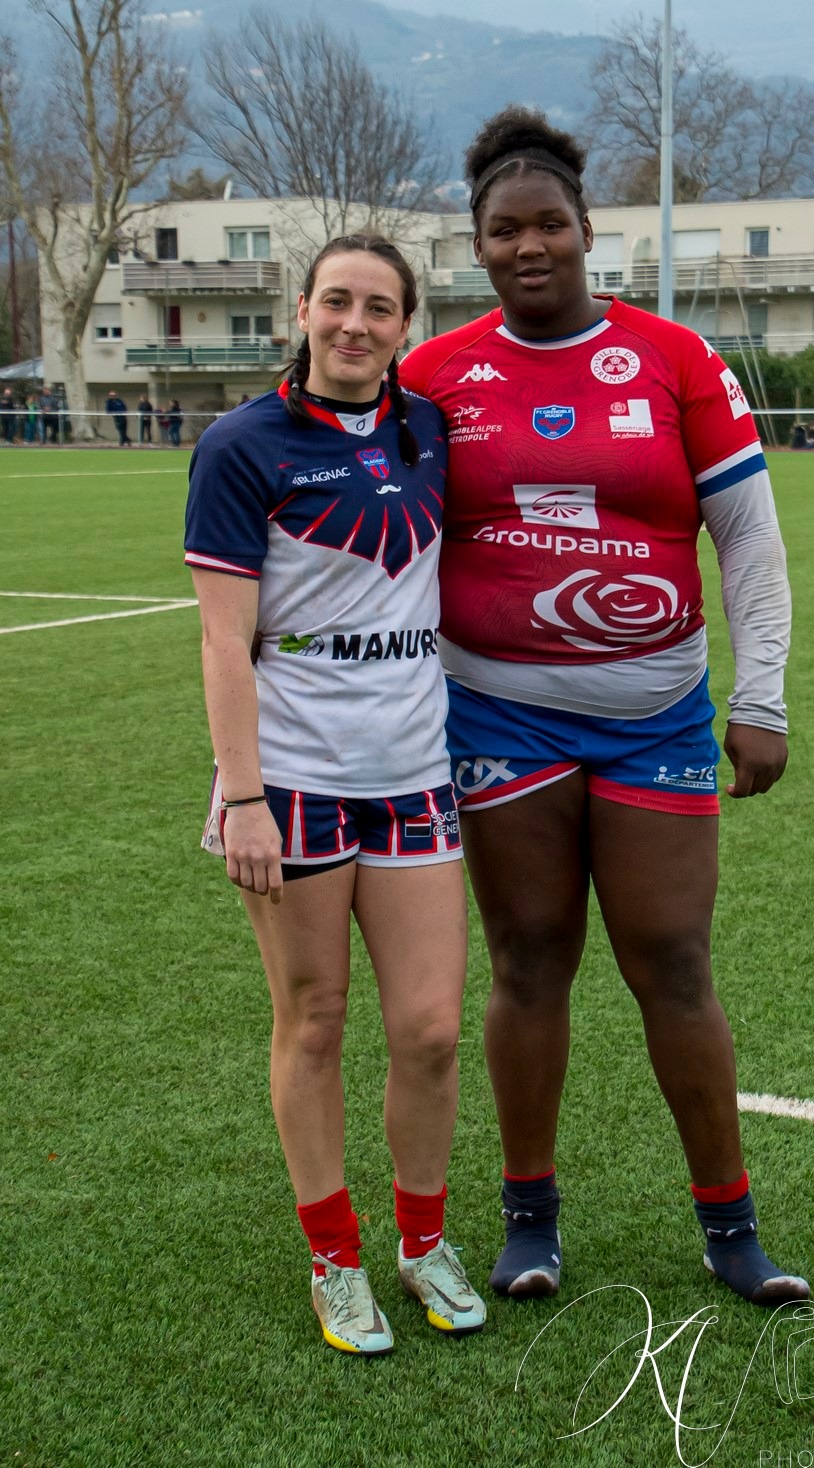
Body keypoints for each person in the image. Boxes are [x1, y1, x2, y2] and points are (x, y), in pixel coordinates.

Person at [400, 106, 808, 1309]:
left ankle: (730, 1228)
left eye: (550, 224)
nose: (530, 246)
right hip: (499, 720)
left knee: (673, 962)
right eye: (502, 230)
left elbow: (748, 536)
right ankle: (530, 1223)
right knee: (529, 962)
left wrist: (764, 694)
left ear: (588, 230)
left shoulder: (674, 358)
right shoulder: (435, 374)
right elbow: (387, 541)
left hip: (658, 714)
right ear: (476, 247)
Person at [184, 233, 486, 1357]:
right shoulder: (240, 444)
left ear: (408, 325)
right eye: (337, 302)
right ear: (300, 310)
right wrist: (245, 796)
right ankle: (334, 1256)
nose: (356, 324)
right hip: (295, 780)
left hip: (414, 773)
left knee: (432, 1029)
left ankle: (419, 1241)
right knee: (313, 1023)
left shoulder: (428, 429)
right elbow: (223, 644)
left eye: (381, 308)